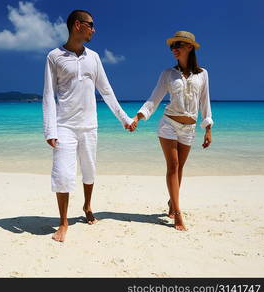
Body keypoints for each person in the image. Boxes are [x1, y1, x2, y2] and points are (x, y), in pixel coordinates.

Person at [42, 10, 135, 242]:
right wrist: (50, 130)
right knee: (63, 174)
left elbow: (106, 90)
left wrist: (124, 118)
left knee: (89, 170)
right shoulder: (54, 56)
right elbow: (48, 95)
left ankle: (87, 206)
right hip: (64, 125)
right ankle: (63, 222)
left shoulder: (93, 57)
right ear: (77, 25)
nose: (94, 29)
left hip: (89, 125)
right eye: (91, 25)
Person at [131, 31, 213, 231]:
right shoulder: (168, 73)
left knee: (180, 168)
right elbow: (154, 98)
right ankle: (177, 212)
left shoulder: (203, 74)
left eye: (178, 45)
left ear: (190, 47)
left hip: (190, 128)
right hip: (168, 125)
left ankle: (171, 202)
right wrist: (138, 117)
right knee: (173, 165)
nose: (174, 49)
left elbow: (205, 102)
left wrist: (208, 128)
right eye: (172, 46)